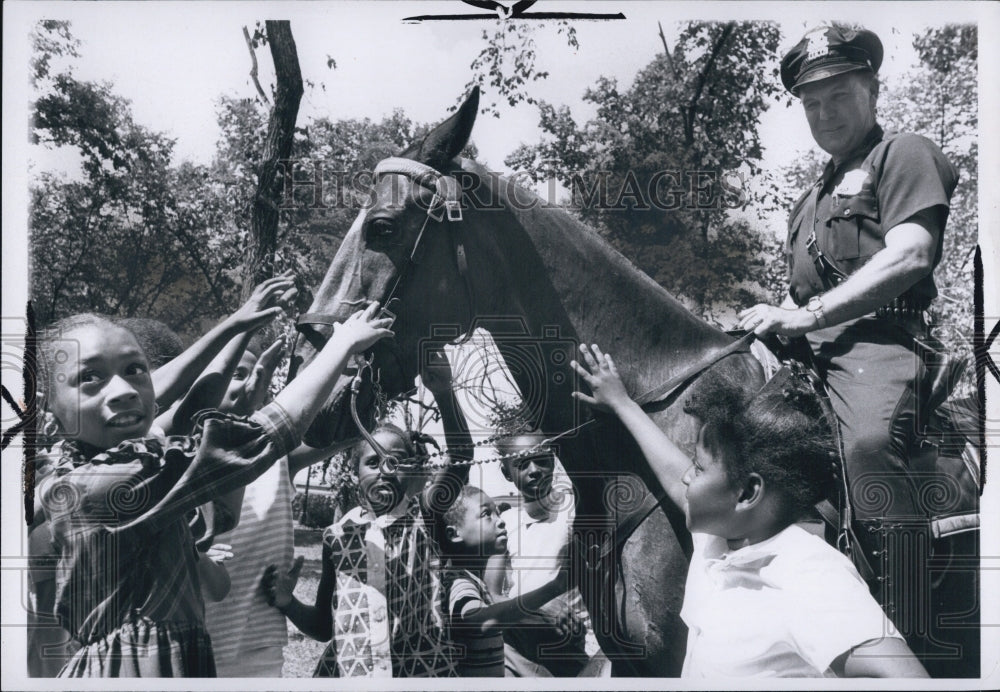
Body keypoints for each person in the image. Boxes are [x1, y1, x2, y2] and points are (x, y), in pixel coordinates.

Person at [735, 24, 959, 653]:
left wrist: (808, 318)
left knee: (866, 444)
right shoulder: (809, 199)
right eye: (812, 101)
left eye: (838, 94)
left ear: (871, 88)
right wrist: (765, 321)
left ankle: (909, 626)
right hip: (810, 354)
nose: (825, 112)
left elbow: (913, 255)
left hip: (881, 344)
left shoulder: (902, 153)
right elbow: (800, 296)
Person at [35, 302, 393, 677]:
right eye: (90, 377)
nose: (124, 389)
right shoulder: (110, 483)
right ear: (52, 419)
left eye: (135, 370)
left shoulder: (108, 471)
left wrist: (236, 334)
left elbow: (211, 482)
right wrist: (341, 345)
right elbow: (258, 435)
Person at [571, 343, 928, 678]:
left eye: (699, 469)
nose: (686, 479)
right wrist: (622, 404)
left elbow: (906, 677)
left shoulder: (809, 574)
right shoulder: (720, 542)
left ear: (747, 492)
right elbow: (673, 474)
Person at [203, 334, 349, 677]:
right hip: (193, 635)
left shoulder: (278, 458)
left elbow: (346, 430)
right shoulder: (181, 456)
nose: (256, 383)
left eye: (265, 376)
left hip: (258, 643)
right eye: (239, 373)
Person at [436, 484, 574, 677]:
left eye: (498, 513)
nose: (501, 522)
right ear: (454, 534)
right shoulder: (458, 581)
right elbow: (479, 621)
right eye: (487, 515)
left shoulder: (476, 581)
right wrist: (554, 588)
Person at [494, 431, 589, 677]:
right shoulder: (504, 523)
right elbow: (490, 596)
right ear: (506, 472)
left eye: (542, 460)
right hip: (521, 652)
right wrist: (538, 612)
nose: (534, 470)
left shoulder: (576, 511)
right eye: (521, 464)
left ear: (554, 460)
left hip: (576, 647)